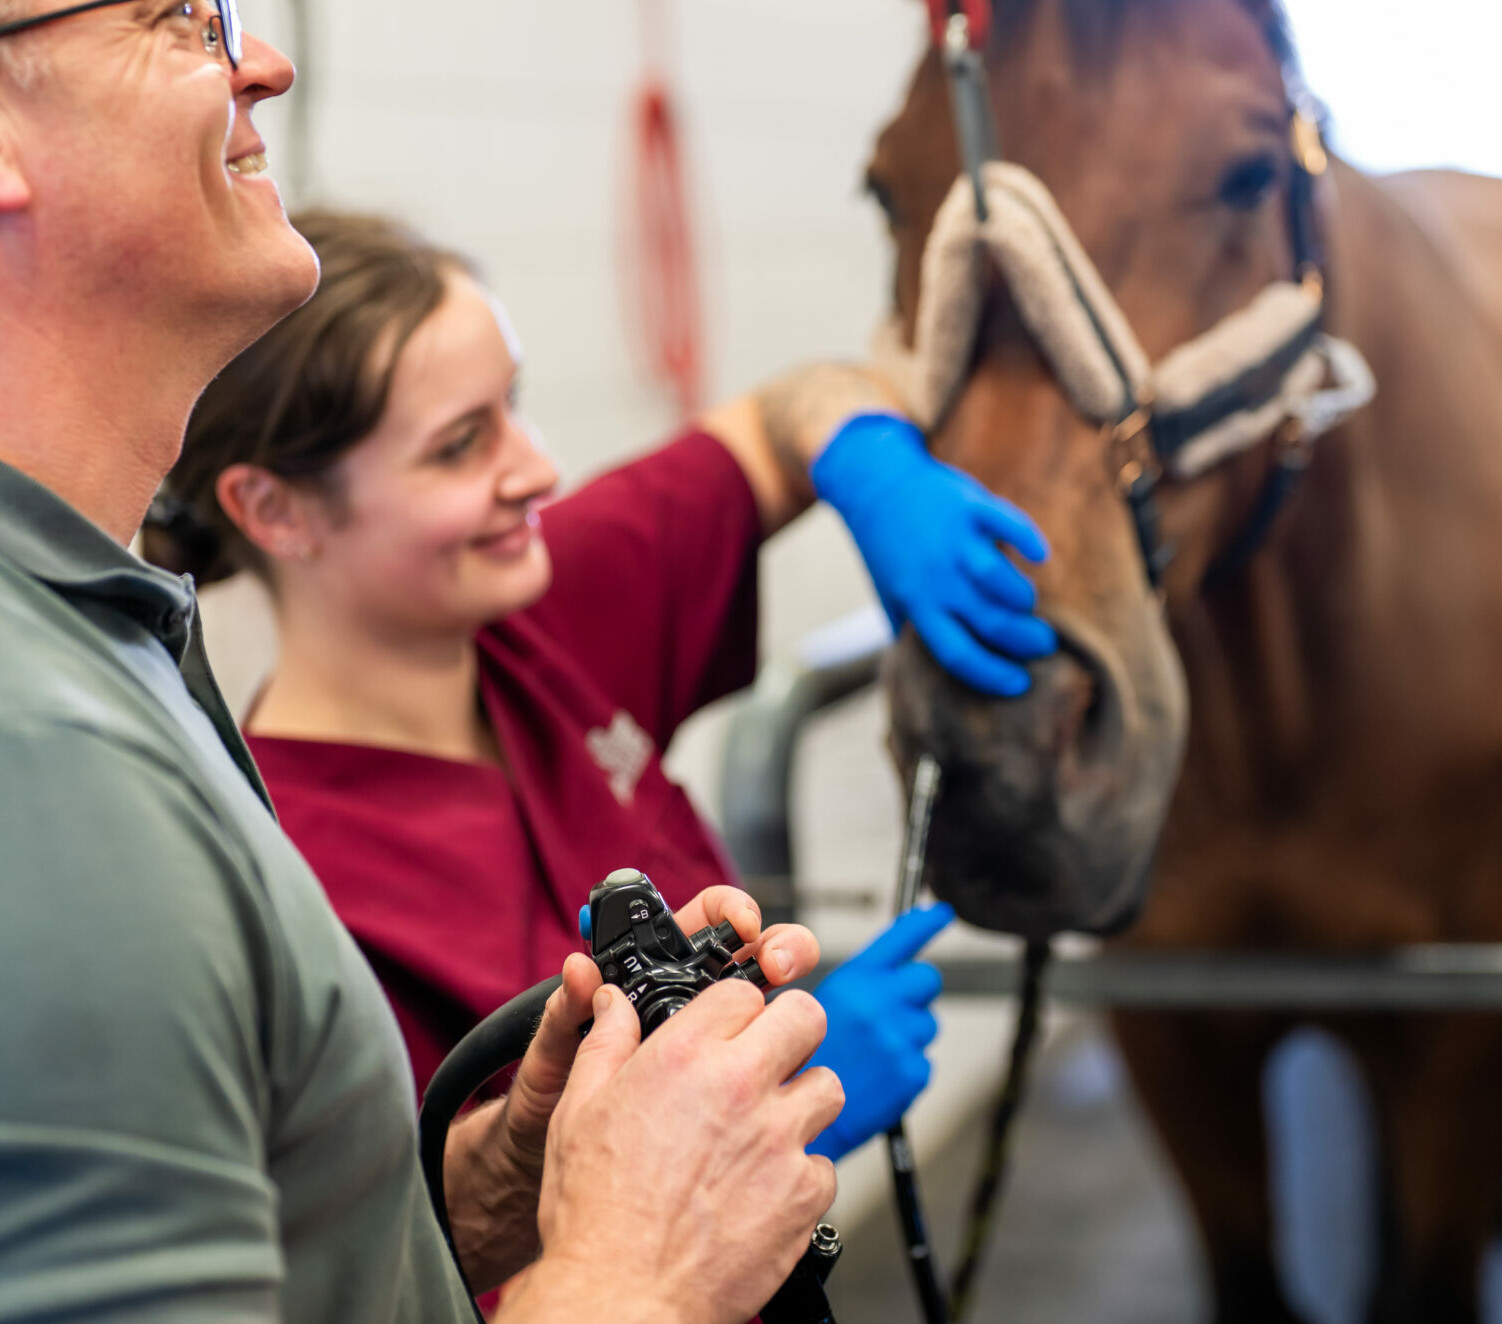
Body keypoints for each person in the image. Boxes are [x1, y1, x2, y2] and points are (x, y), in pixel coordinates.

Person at [0, 0, 845, 1324]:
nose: (261, 60)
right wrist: (637, 1265)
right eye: (173, 17)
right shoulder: (38, 761)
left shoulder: (111, 633)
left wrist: (479, 1202)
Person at [145, 205, 1060, 1160]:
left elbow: (784, 414)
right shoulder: (295, 888)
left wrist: (864, 457)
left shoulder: (542, 615)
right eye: (461, 445)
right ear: (275, 509)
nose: (536, 468)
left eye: (514, 405)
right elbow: (429, 1260)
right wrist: (771, 1127)